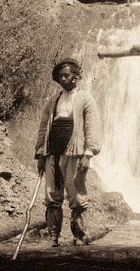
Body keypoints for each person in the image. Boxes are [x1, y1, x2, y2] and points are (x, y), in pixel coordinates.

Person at [34, 58, 101, 246]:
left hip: (75, 153)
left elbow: (92, 127)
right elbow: (43, 127)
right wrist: (41, 153)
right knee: (52, 195)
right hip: (52, 153)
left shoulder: (85, 99)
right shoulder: (53, 101)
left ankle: (79, 236)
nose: (63, 79)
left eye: (67, 75)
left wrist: (88, 154)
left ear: (76, 76)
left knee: (76, 196)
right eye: (60, 76)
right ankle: (53, 237)